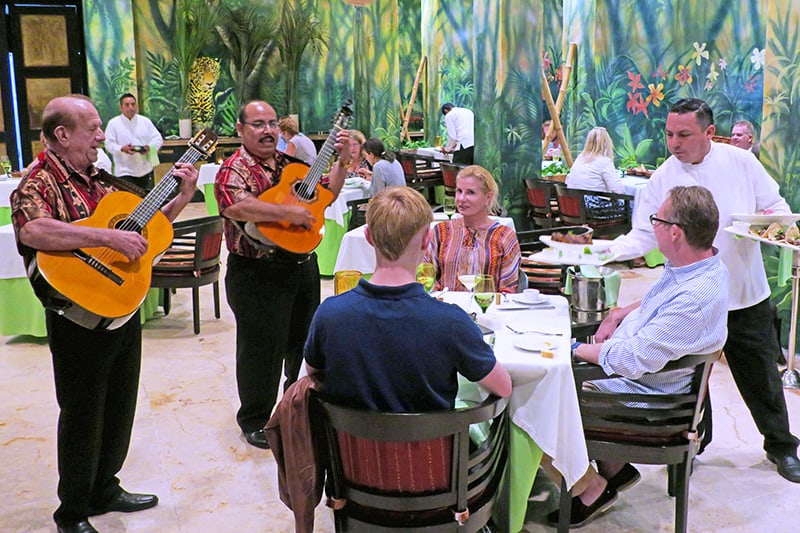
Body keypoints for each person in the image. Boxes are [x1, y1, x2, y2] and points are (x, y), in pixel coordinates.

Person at [10, 94, 198, 533]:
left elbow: (146, 227)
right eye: (93, 128)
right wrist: (107, 239)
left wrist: (182, 194)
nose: (101, 135)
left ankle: (104, 488)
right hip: (76, 319)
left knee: (118, 407)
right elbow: (34, 228)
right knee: (82, 415)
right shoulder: (39, 183)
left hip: (119, 309)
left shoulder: (101, 180)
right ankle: (72, 512)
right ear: (62, 135)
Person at [610, 97, 800, 484]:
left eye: (684, 134)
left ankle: (781, 445)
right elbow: (645, 233)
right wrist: (606, 251)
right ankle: (693, 443)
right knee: (689, 375)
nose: (674, 143)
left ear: (710, 132)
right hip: (689, 296)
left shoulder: (742, 162)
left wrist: (773, 226)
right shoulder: (663, 176)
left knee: (760, 373)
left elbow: (775, 207)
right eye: (668, 134)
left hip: (745, 293)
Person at [545, 185, 729, 527]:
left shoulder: (695, 299)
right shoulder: (699, 267)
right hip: (652, 384)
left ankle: (591, 488)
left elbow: (632, 358)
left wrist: (573, 349)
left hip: (653, 402)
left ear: (675, 232)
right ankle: (615, 470)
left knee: (535, 401)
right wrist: (620, 313)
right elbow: (661, 307)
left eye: (656, 220)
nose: (653, 226)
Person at [214, 100, 348, 449]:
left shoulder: (293, 165)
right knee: (261, 349)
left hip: (302, 267)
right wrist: (286, 211)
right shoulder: (234, 168)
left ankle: (295, 408)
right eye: (258, 124)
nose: (268, 130)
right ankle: (255, 419)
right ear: (241, 130)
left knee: (301, 344)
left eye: (273, 123)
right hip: (257, 271)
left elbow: (327, 195)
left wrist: (343, 162)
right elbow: (233, 204)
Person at [304, 186, 512, 410]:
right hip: (431, 444)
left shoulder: (330, 313)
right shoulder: (451, 321)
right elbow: (503, 387)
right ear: (426, 240)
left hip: (346, 444)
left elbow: (312, 373)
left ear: (368, 237)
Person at [424, 165, 520, 293]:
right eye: (459, 191)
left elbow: (509, 289)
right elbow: (426, 277)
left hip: (488, 309)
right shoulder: (441, 231)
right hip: (447, 309)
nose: (462, 199)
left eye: (470, 192)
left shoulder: (504, 237)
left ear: (488, 197)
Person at [104, 93, 163, 190]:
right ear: (121, 107)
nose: (130, 107)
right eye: (127, 105)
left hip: (145, 168)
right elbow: (108, 144)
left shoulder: (145, 121)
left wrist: (149, 147)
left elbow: (157, 138)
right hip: (124, 171)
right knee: (129, 200)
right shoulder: (113, 123)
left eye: (133, 104)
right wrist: (121, 148)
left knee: (144, 200)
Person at [566, 127, 624, 194]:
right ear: (607, 143)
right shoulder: (604, 161)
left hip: (573, 202)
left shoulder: (580, 158)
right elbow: (618, 190)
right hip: (592, 202)